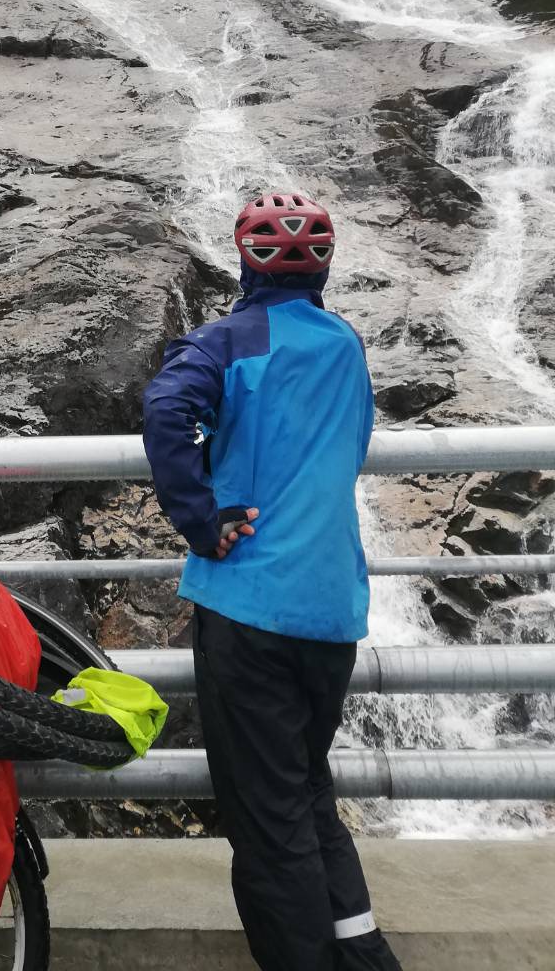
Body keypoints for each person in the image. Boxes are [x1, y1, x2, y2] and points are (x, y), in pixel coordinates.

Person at [143, 190, 402, 971]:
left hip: (250, 606)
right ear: (324, 262)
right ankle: (364, 957)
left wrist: (202, 517)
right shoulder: (346, 343)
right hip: (333, 610)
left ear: (244, 260)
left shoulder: (228, 339)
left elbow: (164, 411)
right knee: (307, 791)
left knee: (268, 819)